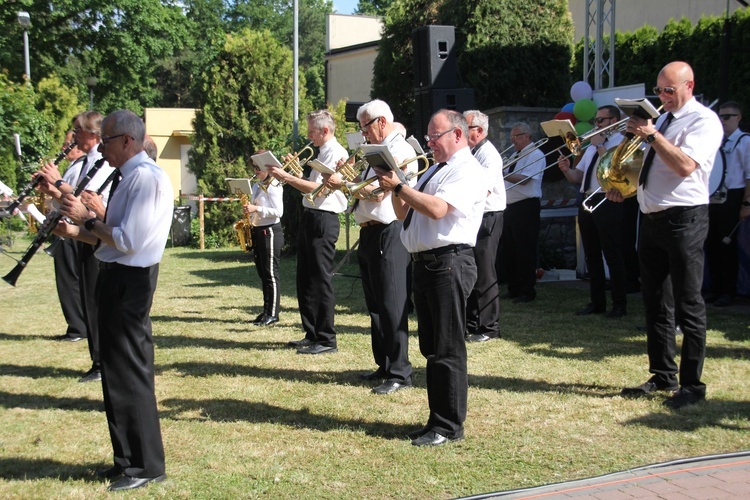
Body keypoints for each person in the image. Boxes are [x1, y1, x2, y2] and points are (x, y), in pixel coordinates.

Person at [54, 109, 172, 491]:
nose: (101, 148)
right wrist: (76, 229)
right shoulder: (128, 177)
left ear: (126, 140)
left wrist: (88, 220)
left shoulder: (145, 178)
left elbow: (128, 240)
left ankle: (146, 466)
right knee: (116, 375)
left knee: (130, 374)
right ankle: (125, 460)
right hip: (116, 276)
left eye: (105, 140)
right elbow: (110, 236)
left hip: (130, 281)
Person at [608, 61, 723, 409]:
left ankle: (692, 385)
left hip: (684, 218)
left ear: (689, 86)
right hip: (652, 217)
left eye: (669, 90)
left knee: (688, 303)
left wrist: (652, 135)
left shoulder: (703, 121)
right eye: (658, 90)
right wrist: (620, 186)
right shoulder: (664, 119)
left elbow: (686, 166)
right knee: (655, 300)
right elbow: (647, 167)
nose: (662, 97)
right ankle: (662, 374)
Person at [376, 109, 485, 446]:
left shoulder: (467, 170)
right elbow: (402, 214)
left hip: (449, 262)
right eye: (428, 137)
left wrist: (400, 187)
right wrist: (396, 188)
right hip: (425, 263)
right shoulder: (436, 169)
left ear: (457, 135)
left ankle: (449, 426)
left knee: (447, 348)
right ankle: (436, 420)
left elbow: (438, 209)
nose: (430, 143)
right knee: (431, 348)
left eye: (435, 137)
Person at [323, 99, 416, 394]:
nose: (362, 132)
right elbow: (367, 188)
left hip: (390, 230)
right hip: (370, 232)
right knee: (376, 304)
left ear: (381, 122)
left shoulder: (397, 150)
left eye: (364, 126)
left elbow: (377, 193)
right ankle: (385, 364)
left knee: (392, 302)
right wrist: (348, 178)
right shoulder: (375, 151)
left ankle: (400, 372)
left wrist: (342, 185)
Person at [37, 112, 116, 384]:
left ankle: (102, 361)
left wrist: (59, 185)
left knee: (96, 301)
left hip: (96, 234)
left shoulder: (103, 163)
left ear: (91, 133)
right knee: (87, 297)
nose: (73, 138)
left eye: (77, 131)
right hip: (80, 233)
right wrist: (53, 193)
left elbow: (87, 200)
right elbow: (70, 200)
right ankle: (96, 358)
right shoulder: (84, 162)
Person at [267, 110, 348, 355]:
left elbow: (321, 190)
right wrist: (296, 175)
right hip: (311, 216)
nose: (308, 135)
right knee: (305, 277)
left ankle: (326, 338)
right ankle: (312, 332)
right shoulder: (322, 152)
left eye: (312, 131)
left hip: (325, 219)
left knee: (320, 279)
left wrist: (287, 177)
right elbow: (310, 188)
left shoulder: (338, 154)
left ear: (325, 131)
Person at [558, 105, 628, 318]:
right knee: (591, 254)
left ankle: (619, 304)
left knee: (612, 253)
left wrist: (600, 147)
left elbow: (615, 172)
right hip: (587, 198)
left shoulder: (621, 143)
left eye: (600, 121)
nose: (596, 125)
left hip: (608, 199)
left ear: (613, 121)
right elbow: (578, 178)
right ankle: (597, 302)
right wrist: (566, 169)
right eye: (595, 121)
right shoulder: (590, 147)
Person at [463, 110, 506, 342]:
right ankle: (472, 322)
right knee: (472, 270)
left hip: (488, 215)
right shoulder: (472, 152)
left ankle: (490, 328)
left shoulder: (488, 155)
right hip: (476, 215)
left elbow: (483, 190)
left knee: (485, 272)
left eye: (464, 127)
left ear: (479, 131)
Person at [704, 101, 750, 307]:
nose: (722, 121)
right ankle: (714, 288)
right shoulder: (716, 141)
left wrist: (746, 203)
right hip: (712, 196)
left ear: (738, 118)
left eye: (727, 117)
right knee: (711, 243)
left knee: (727, 245)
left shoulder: (744, 141)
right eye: (720, 117)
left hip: (733, 195)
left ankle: (728, 291)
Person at [501, 123, 545, 303]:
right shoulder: (514, 155)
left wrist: (501, 173)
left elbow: (525, 179)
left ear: (527, 136)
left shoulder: (536, 154)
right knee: (510, 250)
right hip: (510, 206)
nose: (512, 141)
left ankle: (527, 290)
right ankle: (514, 288)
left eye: (516, 136)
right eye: (512, 137)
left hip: (526, 205)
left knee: (524, 250)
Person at [245, 158, 284, 326]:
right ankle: (266, 310)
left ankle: (273, 313)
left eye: (259, 167)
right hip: (259, 230)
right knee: (262, 273)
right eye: (254, 167)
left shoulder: (274, 186)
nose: (256, 171)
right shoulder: (256, 186)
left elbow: (278, 212)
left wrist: (257, 209)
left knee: (270, 274)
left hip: (271, 231)